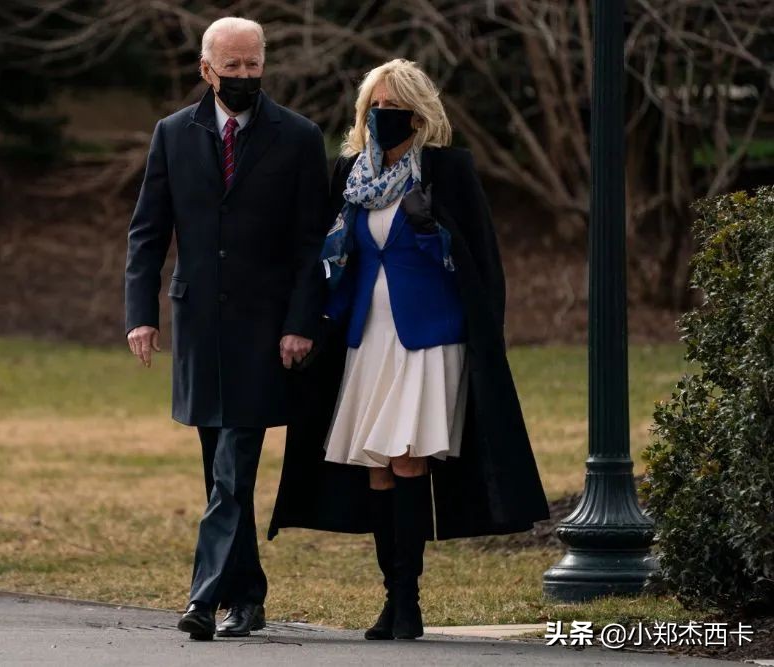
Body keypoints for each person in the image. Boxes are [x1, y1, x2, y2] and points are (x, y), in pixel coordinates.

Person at [268, 59, 549, 640]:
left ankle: (411, 601)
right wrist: (312, 321)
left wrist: (432, 234)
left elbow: (479, 260)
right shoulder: (350, 175)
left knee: (406, 459)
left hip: (429, 339)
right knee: (377, 466)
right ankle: (392, 598)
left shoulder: (446, 171)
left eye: (395, 107)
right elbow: (331, 258)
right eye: (375, 106)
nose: (383, 116)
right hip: (368, 338)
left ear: (419, 115)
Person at [124, 17, 329, 641]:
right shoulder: (171, 134)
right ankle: (249, 597)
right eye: (232, 66)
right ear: (206, 69)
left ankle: (203, 598)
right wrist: (141, 314)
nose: (244, 76)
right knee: (220, 468)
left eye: (252, 64)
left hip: (265, 332)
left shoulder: (298, 137)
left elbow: (312, 243)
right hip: (198, 327)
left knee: (234, 464)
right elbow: (148, 232)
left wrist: (301, 323)